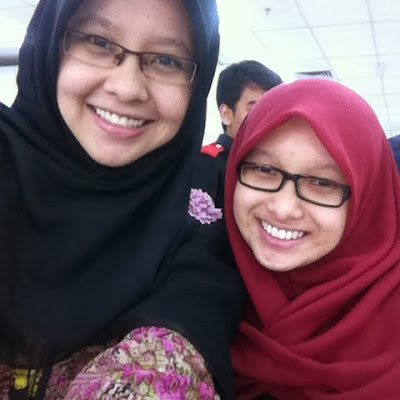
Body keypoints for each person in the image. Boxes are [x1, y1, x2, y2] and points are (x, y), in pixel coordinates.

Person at [0, 0, 246, 398]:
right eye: (98, 42)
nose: (127, 88)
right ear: (49, 44)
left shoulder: (199, 258)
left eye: (167, 60)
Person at [224, 79, 400, 399]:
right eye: (263, 169)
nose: (283, 208)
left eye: (322, 182)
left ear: (368, 199)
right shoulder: (205, 286)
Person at [194, 60, 282, 209]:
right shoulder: (208, 162)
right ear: (227, 114)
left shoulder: (268, 165)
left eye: (273, 110)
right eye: (256, 109)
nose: (267, 118)